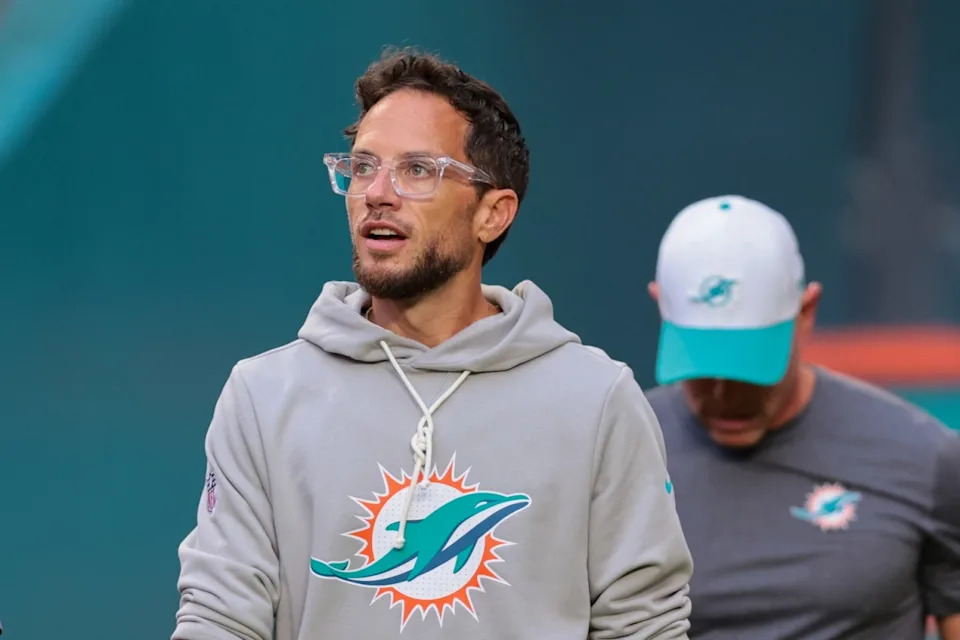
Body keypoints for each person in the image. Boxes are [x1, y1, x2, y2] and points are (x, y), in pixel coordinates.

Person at [172, 48, 693, 640]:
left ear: (492, 215)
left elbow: (643, 625)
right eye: (364, 166)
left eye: (417, 170)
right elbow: (220, 617)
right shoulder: (262, 397)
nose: (377, 192)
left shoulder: (598, 400)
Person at [644, 194, 960, 639]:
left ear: (806, 313)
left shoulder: (929, 459)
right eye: (703, 367)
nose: (724, 395)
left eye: (750, 368)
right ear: (660, 307)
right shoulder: (614, 451)